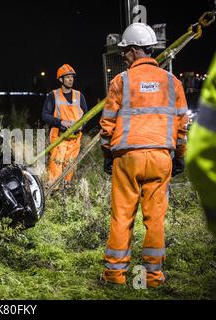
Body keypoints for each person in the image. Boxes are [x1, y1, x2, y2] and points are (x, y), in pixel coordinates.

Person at [99, 23, 188, 287]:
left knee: (122, 216)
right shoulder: (173, 83)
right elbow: (181, 126)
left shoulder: (121, 81)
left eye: (126, 51)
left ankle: (114, 276)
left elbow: (107, 124)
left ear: (136, 51)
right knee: (155, 219)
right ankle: (152, 277)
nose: (124, 56)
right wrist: (179, 155)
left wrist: (107, 154)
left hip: (127, 158)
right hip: (161, 158)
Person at [42, 64, 87, 188]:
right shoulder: (53, 95)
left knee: (69, 166)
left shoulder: (79, 96)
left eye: (72, 77)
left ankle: (66, 190)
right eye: (67, 77)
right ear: (61, 79)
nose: (71, 79)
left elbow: (86, 116)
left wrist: (82, 125)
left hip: (74, 139)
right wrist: (60, 122)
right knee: (56, 165)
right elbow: (45, 115)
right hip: (59, 137)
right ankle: (52, 190)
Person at [186, 53, 216, 236]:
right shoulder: (170, 81)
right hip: (162, 154)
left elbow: (201, 153)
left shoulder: (120, 81)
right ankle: (154, 262)